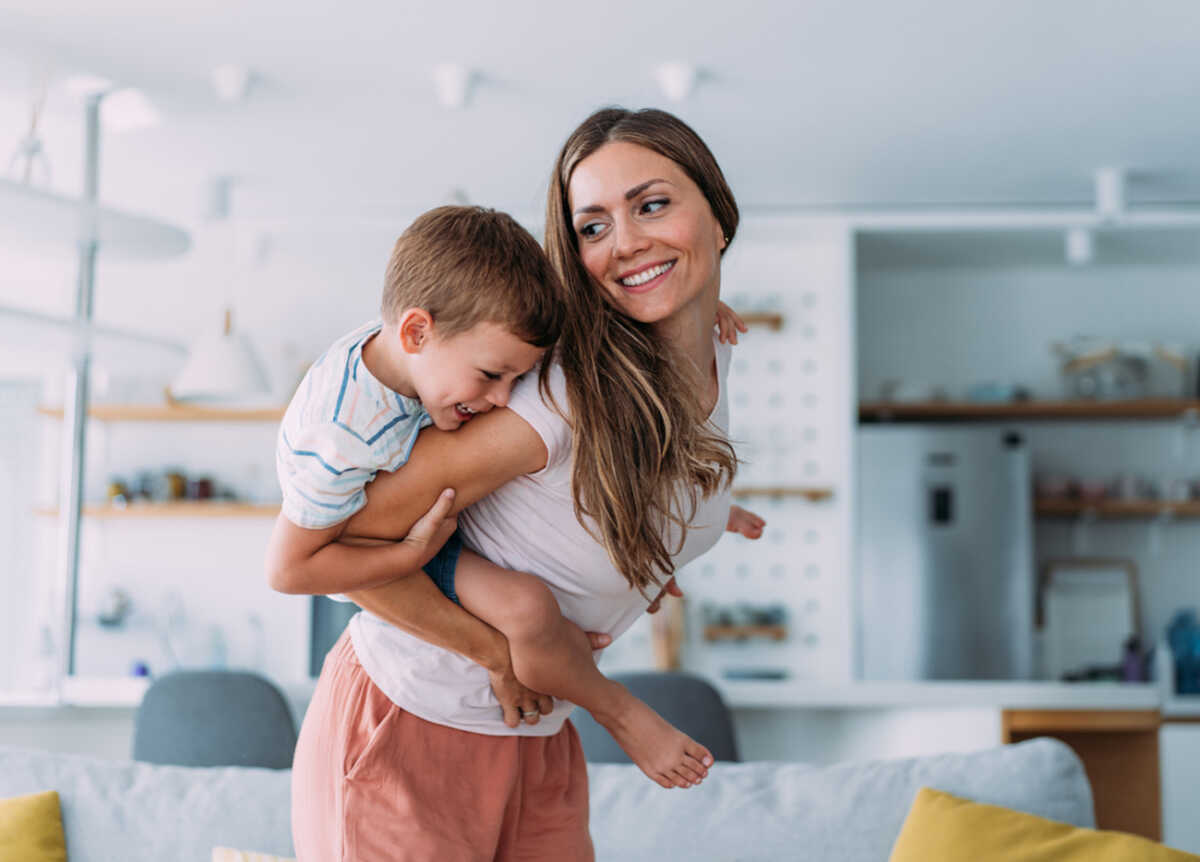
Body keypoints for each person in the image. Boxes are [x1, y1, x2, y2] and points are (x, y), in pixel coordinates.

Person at [288, 106, 763, 861]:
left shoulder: (710, 353)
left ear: (718, 215)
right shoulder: (553, 399)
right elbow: (340, 542)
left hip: (536, 730)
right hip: (412, 716)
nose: (629, 241)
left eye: (652, 205)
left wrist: (673, 538)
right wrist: (496, 652)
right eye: (593, 227)